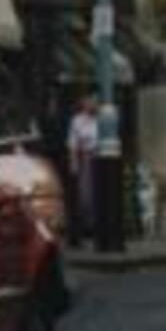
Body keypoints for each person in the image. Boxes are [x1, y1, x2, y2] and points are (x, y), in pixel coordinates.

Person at [65, 95, 101, 245]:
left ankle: (94, 226)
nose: (93, 105)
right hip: (85, 158)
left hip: (99, 157)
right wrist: (73, 163)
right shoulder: (77, 120)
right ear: (84, 104)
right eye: (90, 102)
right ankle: (86, 227)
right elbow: (72, 143)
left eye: (94, 102)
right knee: (85, 195)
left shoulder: (100, 120)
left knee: (97, 194)